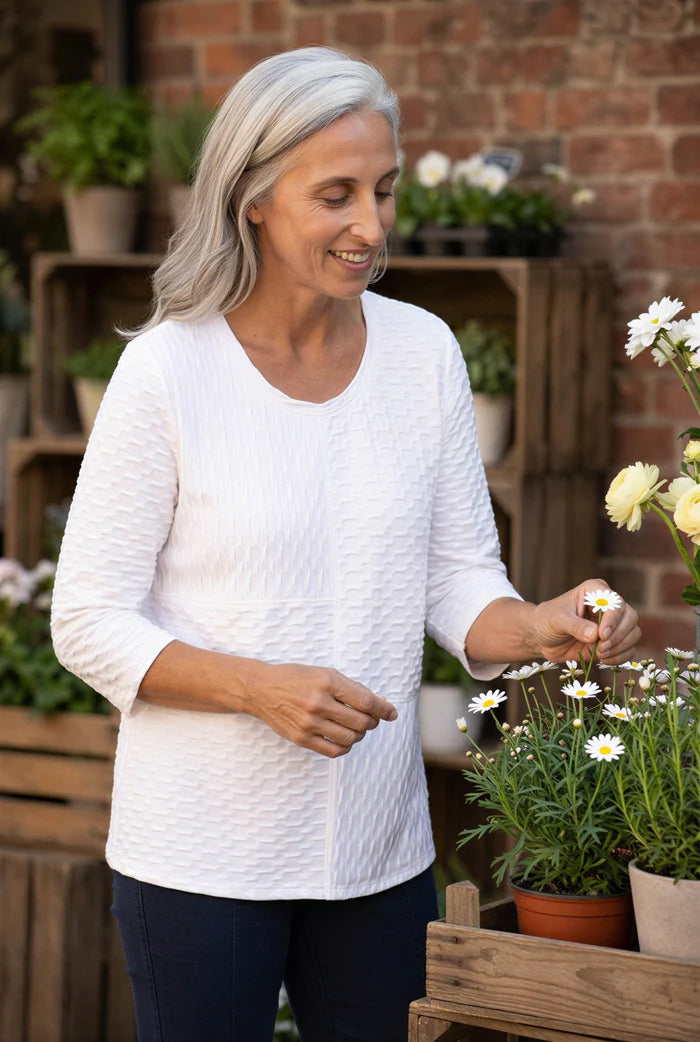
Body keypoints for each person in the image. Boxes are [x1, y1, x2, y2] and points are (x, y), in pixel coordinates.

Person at [51, 47, 640, 1042]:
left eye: (384, 189)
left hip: (378, 851)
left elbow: (457, 580)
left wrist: (539, 623)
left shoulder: (424, 354)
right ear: (252, 198)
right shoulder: (165, 372)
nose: (371, 225)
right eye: (335, 194)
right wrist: (254, 686)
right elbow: (86, 620)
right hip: (200, 856)